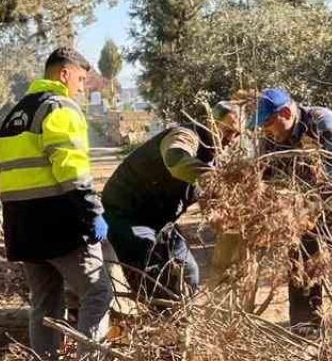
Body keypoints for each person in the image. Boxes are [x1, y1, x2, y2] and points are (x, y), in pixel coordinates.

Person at [0, 47, 112, 361]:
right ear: (64, 73)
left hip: (22, 228)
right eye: (80, 78)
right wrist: (93, 212)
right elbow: (71, 169)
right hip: (59, 225)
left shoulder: (16, 114)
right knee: (98, 294)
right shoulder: (60, 108)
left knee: (45, 304)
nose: (82, 86)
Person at [252, 88, 332, 330]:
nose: (264, 130)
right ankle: (305, 326)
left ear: (286, 113)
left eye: (267, 122)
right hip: (306, 207)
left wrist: (307, 206)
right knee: (301, 264)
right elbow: (262, 178)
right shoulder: (270, 139)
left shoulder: (322, 121)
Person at [101, 102, 243, 300]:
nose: (231, 139)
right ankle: (159, 325)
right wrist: (216, 179)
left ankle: (180, 322)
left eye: (238, 134)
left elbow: (207, 199)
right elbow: (176, 161)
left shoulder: (213, 156)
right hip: (128, 216)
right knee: (155, 278)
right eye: (228, 131)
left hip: (160, 221)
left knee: (189, 273)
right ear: (211, 123)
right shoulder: (185, 136)